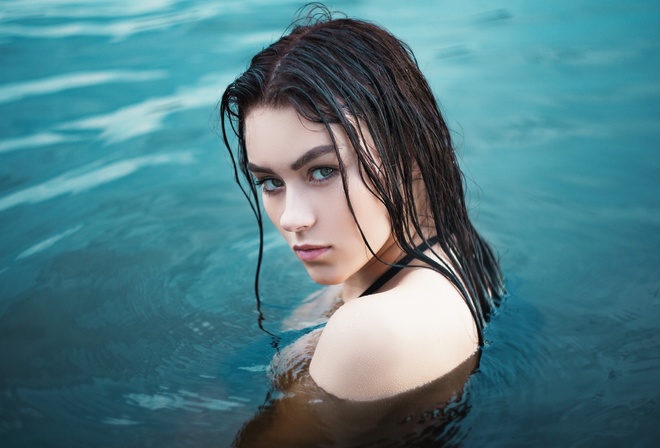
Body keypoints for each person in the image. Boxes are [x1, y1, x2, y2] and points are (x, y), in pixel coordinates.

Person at [221, 2, 504, 418]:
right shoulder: (452, 252)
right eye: (271, 182)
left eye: (322, 171)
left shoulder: (372, 335)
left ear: (408, 157)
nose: (291, 218)